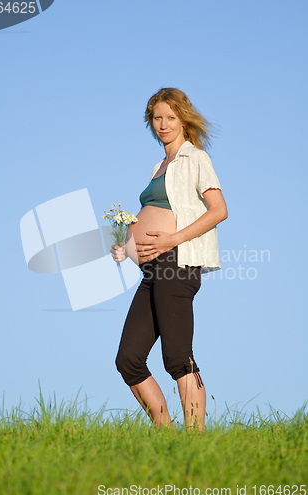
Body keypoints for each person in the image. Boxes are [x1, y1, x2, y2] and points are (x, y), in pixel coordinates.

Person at [111, 88, 228, 431]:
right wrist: (126, 245)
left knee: (177, 357)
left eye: (170, 118)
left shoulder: (195, 159)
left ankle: (195, 439)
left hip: (178, 262)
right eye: (156, 118)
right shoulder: (159, 166)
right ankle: (165, 436)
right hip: (152, 270)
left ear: (183, 119)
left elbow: (219, 210)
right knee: (129, 360)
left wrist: (173, 239)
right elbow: (153, 213)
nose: (162, 124)